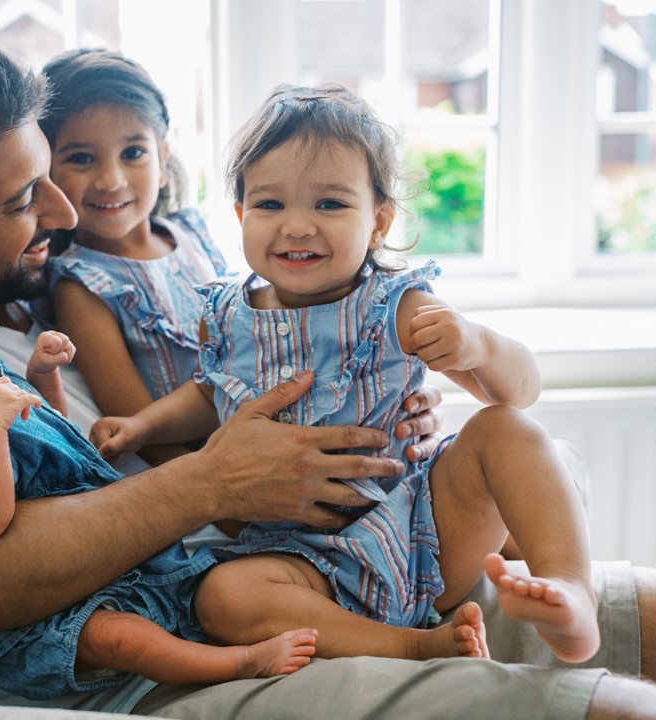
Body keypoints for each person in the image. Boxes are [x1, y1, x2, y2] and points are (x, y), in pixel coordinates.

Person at [0, 38, 656, 719]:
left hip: (354, 548)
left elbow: (253, 391)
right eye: (27, 195)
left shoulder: (53, 306)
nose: (69, 207)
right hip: (183, 657)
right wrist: (213, 478)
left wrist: (371, 421)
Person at [92, 83, 599, 665]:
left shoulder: (396, 306)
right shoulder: (225, 315)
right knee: (223, 598)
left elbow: (522, 392)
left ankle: (569, 590)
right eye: (270, 205)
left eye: (330, 204)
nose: (298, 226)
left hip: (416, 531)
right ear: (240, 215)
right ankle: (414, 645)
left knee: (506, 430)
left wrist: (479, 345)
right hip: (293, 557)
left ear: (379, 221)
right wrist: (142, 426)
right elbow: (210, 394)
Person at [0, 290, 320, 699]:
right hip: (44, 622)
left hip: (101, 567)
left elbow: (53, 435)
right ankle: (238, 664)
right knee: (118, 639)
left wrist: (41, 376)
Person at [39, 48, 232, 465]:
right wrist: (232, 516)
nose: (111, 181)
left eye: (132, 153)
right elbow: (141, 430)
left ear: (163, 160)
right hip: (216, 471)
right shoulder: (81, 284)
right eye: (81, 158)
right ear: (47, 172)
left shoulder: (192, 233)